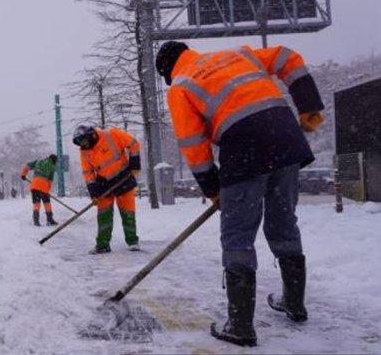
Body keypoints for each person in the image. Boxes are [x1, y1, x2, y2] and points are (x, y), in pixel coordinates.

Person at [157, 41, 324, 347]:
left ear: (167, 70)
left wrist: (212, 188)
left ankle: (240, 325)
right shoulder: (237, 54)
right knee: (283, 222)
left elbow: (194, 143)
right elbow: (287, 56)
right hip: (286, 135)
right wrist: (309, 104)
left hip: (244, 146)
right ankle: (294, 303)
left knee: (238, 236)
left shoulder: (180, 85)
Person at [72, 125, 141, 254]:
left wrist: (135, 163)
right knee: (103, 215)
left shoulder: (112, 135)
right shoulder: (84, 151)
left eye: (84, 140)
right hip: (103, 184)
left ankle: (132, 241)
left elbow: (133, 143)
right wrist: (93, 192)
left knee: (128, 212)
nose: (83, 144)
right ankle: (103, 245)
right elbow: (88, 172)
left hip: (123, 178)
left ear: (91, 135)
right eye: (80, 143)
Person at [20, 154, 58, 226]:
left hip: (34, 185)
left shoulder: (38, 161)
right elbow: (50, 181)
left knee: (36, 204)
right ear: (54, 161)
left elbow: (27, 166)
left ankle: (36, 221)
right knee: (47, 204)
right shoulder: (52, 167)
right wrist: (47, 191)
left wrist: (23, 174)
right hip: (44, 186)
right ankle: (49, 219)